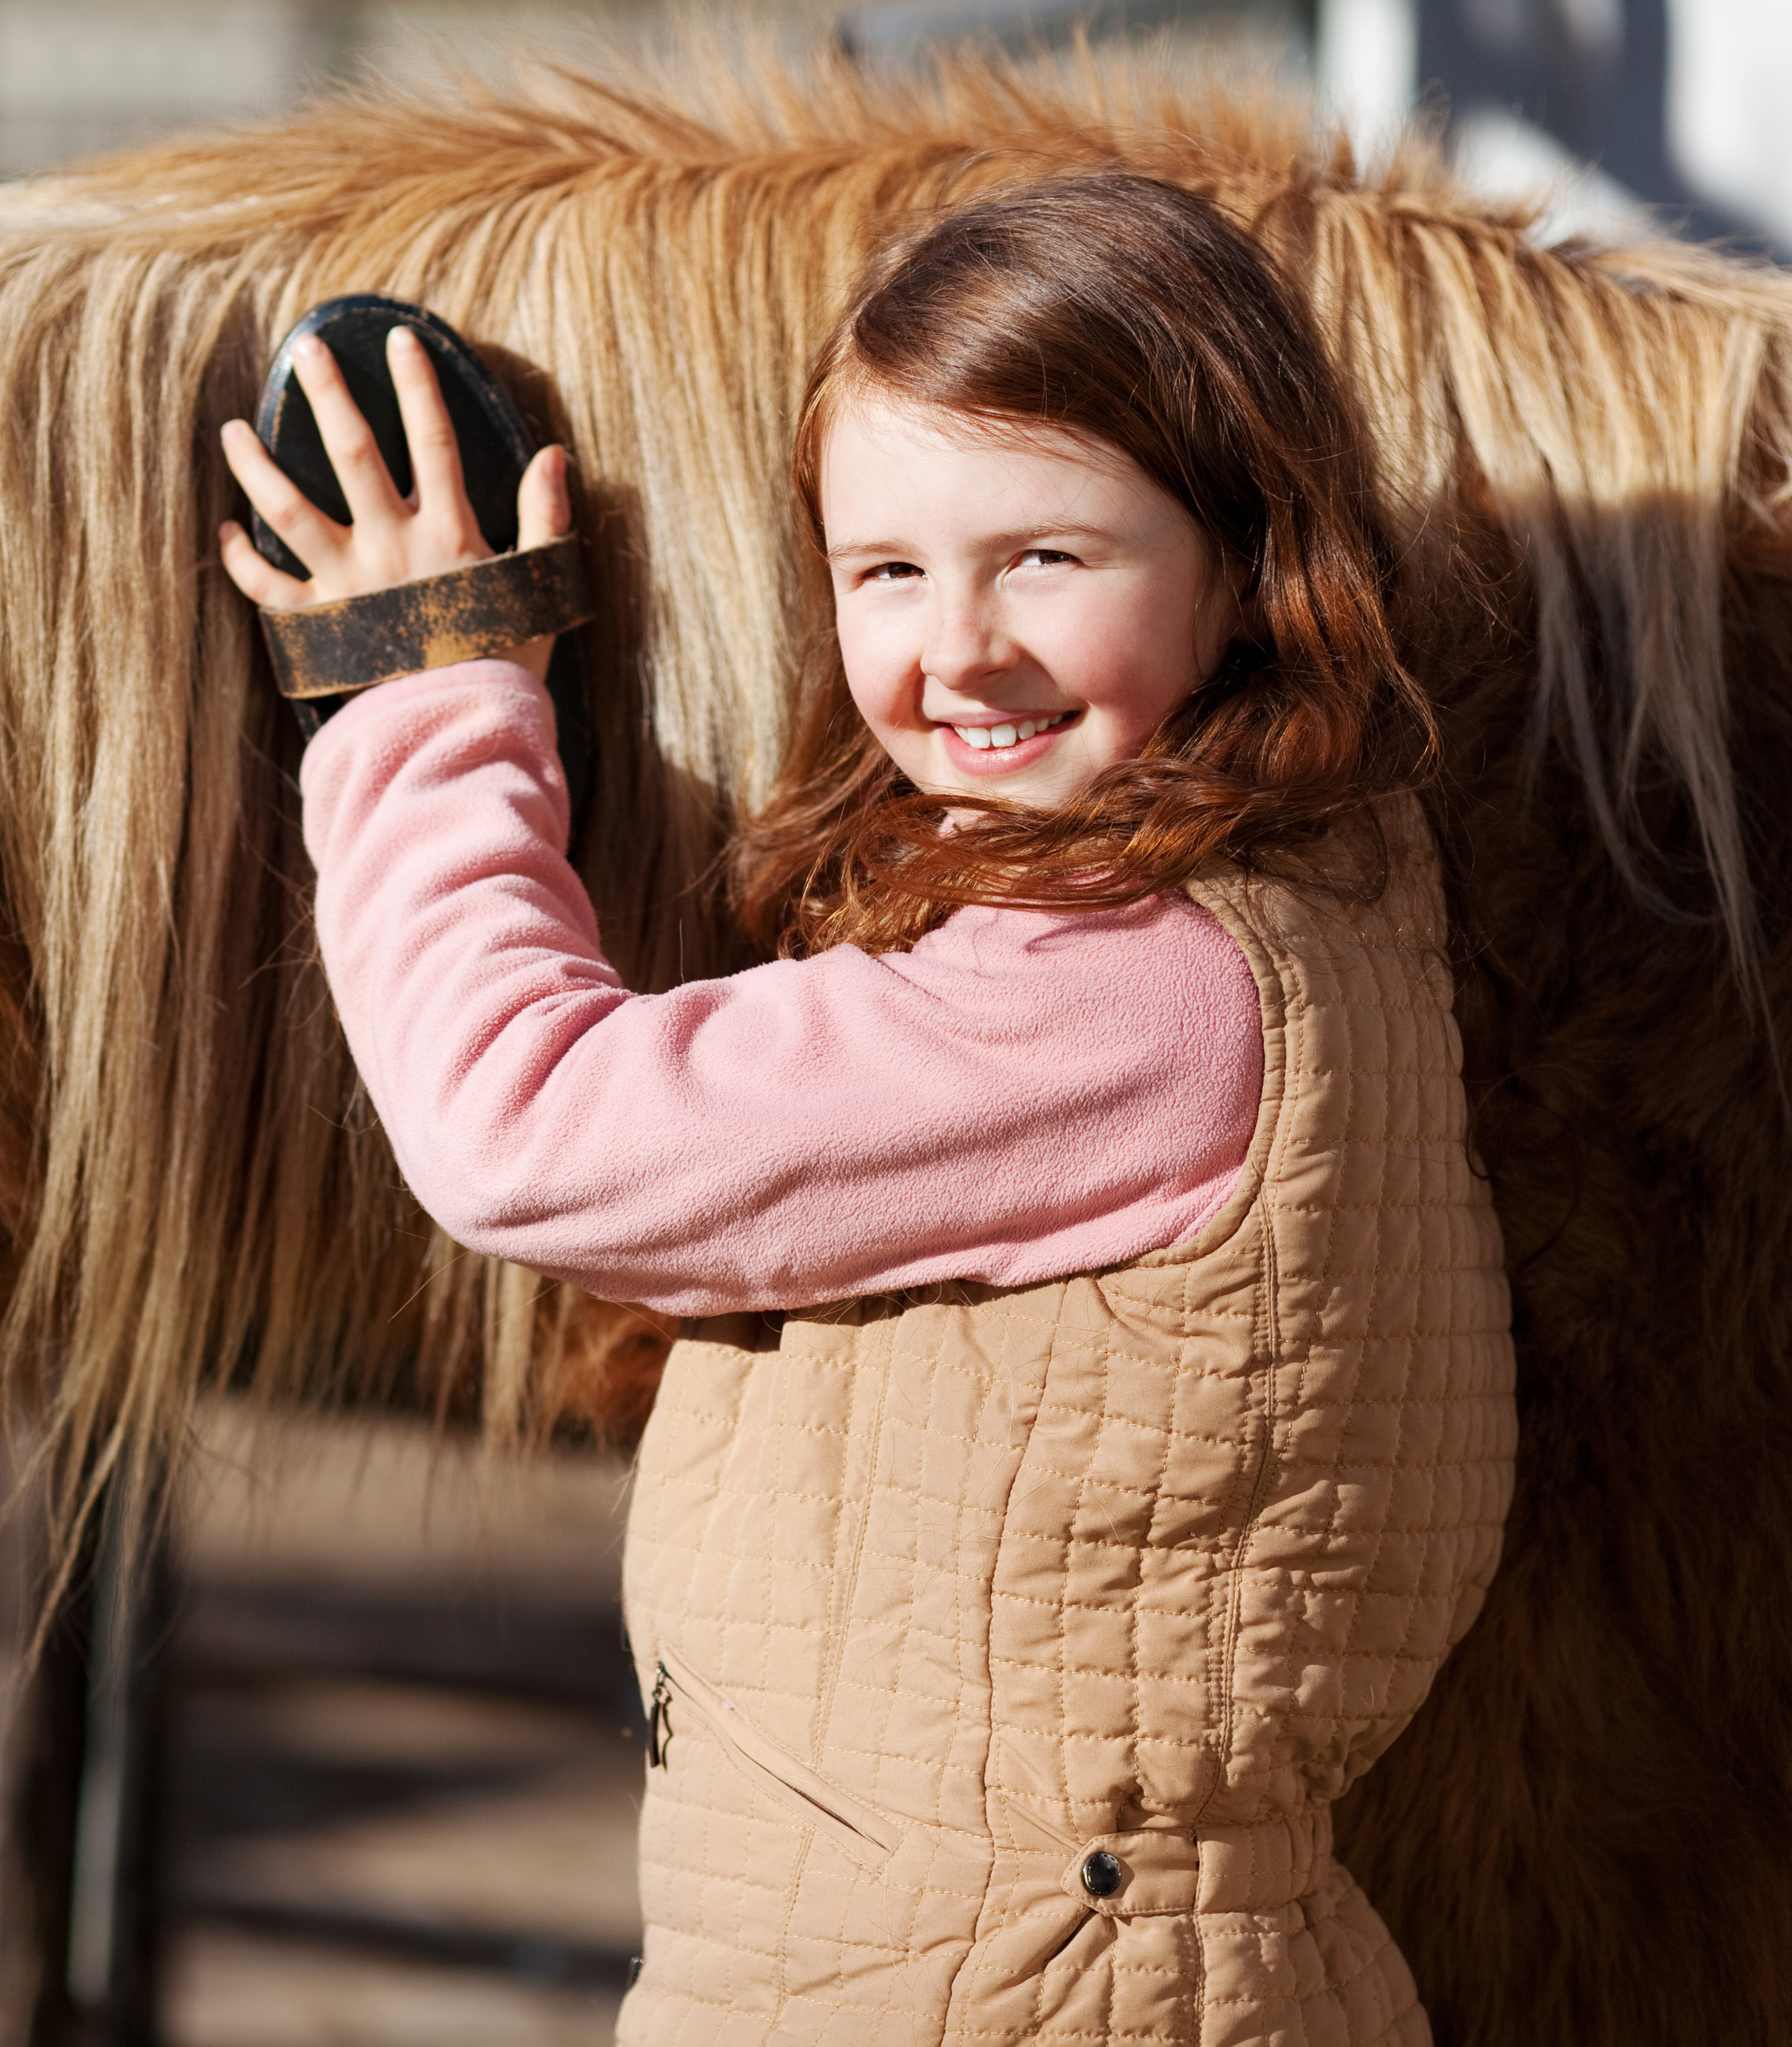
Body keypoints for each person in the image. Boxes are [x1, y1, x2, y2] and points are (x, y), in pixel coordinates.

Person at [217, 172, 1515, 2046]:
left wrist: (430, 687)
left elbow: (519, 1122)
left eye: (1047, 560)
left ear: (1242, 564)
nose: (958, 649)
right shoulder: (1322, 875)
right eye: (884, 572)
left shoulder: (1123, 996)